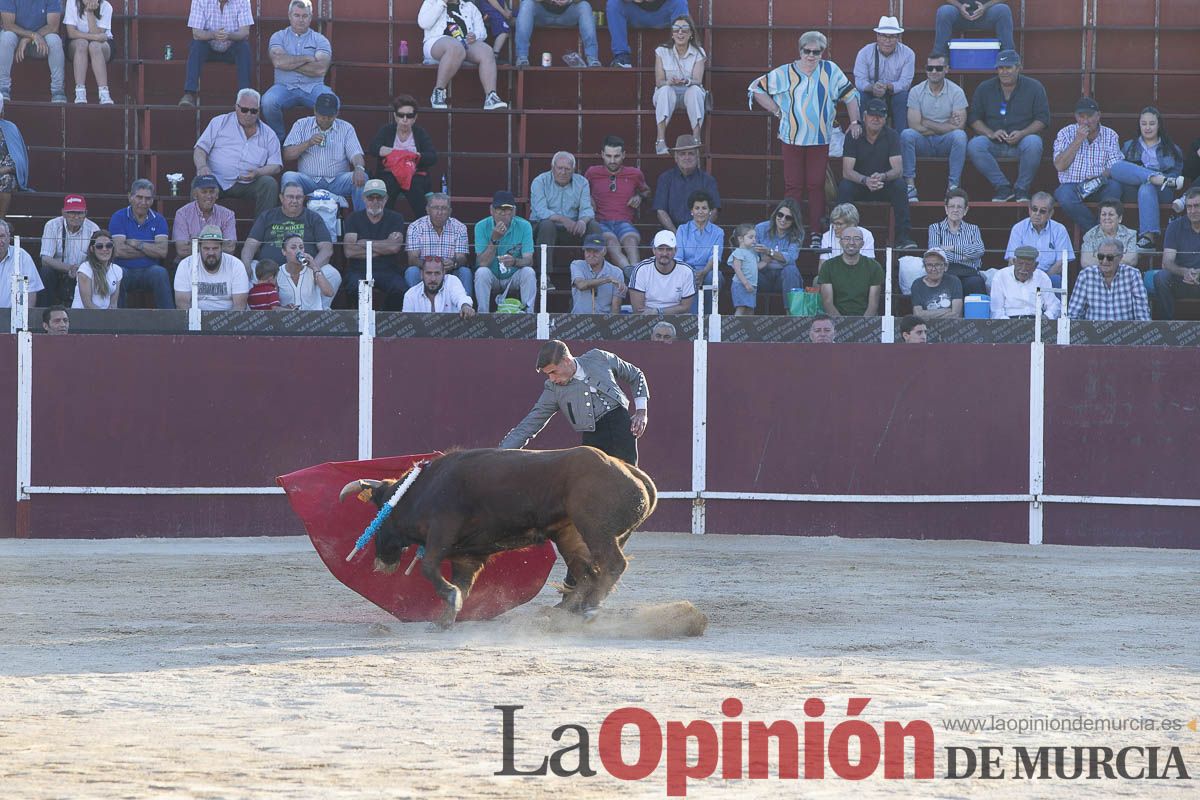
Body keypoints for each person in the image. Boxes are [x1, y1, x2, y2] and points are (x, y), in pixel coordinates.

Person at [751, 31, 861, 248]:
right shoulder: (784, 72)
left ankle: (816, 233)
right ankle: (790, 232)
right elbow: (756, 88)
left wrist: (855, 122)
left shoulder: (831, 70)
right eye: (807, 51)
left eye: (816, 51)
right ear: (800, 51)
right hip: (791, 138)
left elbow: (850, 94)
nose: (811, 55)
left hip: (820, 138)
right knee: (793, 186)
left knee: (816, 185)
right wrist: (776, 110)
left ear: (822, 52)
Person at [500, 338, 648, 467]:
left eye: (553, 372)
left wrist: (641, 412)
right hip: (593, 437)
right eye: (548, 374)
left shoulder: (598, 357)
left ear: (566, 361)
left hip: (621, 427)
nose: (551, 378)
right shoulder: (553, 389)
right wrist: (500, 455)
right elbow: (530, 424)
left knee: (629, 480)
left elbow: (636, 375)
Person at [967, 49, 1049, 202]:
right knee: (974, 144)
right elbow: (974, 118)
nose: (1004, 72)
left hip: (1022, 142)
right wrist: (990, 133)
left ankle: (1021, 189)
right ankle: (1003, 187)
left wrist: (1023, 133)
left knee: (1034, 142)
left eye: (1008, 67)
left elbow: (1043, 119)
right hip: (994, 142)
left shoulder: (1034, 87)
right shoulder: (984, 88)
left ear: (1018, 68)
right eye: (1000, 68)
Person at [837, 97, 916, 250]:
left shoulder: (892, 135)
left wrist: (883, 176)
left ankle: (903, 238)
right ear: (865, 116)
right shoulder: (853, 135)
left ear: (885, 118)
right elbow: (847, 171)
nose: (876, 119)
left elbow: (898, 170)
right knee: (845, 187)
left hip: (882, 184)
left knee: (900, 186)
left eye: (880, 116)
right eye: (872, 115)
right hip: (860, 184)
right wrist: (865, 180)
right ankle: (843, 235)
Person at [194, 88, 283, 218]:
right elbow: (200, 149)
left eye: (253, 111)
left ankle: (260, 234)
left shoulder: (269, 134)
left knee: (269, 184)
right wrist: (202, 167)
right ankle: (198, 232)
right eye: (244, 110)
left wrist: (258, 172)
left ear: (259, 111)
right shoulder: (220, 122)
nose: (248, 114)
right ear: (236, 107)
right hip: (216, 179)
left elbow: (276, 165)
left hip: (249, 183)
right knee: (200, 182)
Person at [1109, 106, 1186, 252]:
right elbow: (1121, 173)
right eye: (1144, 124)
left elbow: (1176, 178)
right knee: (1116, 167)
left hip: (1162, 191)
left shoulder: (1171, 149)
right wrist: (1150, 175)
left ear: (1159, 125)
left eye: (1152, 123)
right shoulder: (1128, 146)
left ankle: (1148, 238)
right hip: (1133, 190)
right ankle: (1155, 178)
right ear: (1139, 125)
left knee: (1147, 186)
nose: (1147, 127)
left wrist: (1153, 179)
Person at [282, 92, 367, 212]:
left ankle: (360, 223)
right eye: (322, 115)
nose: (326, 119)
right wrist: (308, 143)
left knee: (362, 177)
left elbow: (356, 154)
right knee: (288, 177)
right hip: (308, 180)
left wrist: (359, 168)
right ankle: (291, 222)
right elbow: (287, 154)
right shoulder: (301, 124)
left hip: (337, 181)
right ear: (315, 111)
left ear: (337, 113)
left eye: (330, 116)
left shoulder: (346, 128)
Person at [418, 0, 508, 111]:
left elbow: (482, 32)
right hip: (436, 42)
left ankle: (491, 96)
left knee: (487, 51)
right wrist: (442, 3)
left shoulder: (469, 7)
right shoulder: (432, 2)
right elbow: (423, 23)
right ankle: (438, 92)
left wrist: (475, 35)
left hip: (464, 43)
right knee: (455, 47)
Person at [901, 52, 967, 201]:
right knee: (907, 134)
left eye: (938, 68)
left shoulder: (956, 91)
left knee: (960, 137)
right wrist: (947, 125)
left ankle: (953, 187)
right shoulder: (916, 91)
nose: (934, 72)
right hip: (923, 141)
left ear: (946, 69)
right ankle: (910, 186)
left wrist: (926, 121)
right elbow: (914, 125)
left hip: (945, 142)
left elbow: (960, 126)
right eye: (930, 68)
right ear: (926, 70)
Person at [261, 0, 331, 140]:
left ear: (310, 17)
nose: (300, 20)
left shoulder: (320, 40)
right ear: (289, 15)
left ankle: (321, 139)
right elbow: (278, 61)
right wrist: (307, 57)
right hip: (284, 87)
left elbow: (320, 69)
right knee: (267, 102)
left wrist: (289, 63)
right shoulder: (278, 37)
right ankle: (278, 139)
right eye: (297, 15)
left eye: (305, 16)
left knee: (332, 102)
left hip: (313, 87)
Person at [1051, 97, 1123, 233]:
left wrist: (1100, 177)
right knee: (1064, 196)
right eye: (1081, 116)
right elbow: (1059, 166)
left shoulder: (1111, 135)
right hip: (1073, 186)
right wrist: (1078, 140)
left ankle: (1099, 232)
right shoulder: (1065, 133)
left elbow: (1115, 167)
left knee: (1115, 187)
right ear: (1075, 116)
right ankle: (1096, 232)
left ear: (1098, 115)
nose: (1085, 121)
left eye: (1089, 116)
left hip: (1100, 183)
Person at [584, 134, 651, 273]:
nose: (612, 160)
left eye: (616, 156)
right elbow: (580, 192)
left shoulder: (634, 173)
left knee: (631, 241)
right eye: (608, 156)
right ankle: (631, 273)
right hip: (600, 222)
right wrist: (588, 198)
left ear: (624, 155)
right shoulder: (592, 173)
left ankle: (635, 273)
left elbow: (647, 192)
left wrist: (639, 196)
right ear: (602, 154)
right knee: (611, 242)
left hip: (625, 222)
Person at [241, 180, 334, 279]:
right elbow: (250, 244)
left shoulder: (313, 218)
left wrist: (313, 268)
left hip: (305, 270)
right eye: (290, 197)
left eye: (298, 197)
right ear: (281, 198)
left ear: (303, 199)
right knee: (248, 269)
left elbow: (326, 249)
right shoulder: (267, 216)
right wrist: (246, 265)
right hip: (268, 271)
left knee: (332, 274)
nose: (294, 201)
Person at [367, 94, 437, 220]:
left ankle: (424, 227)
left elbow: (432, 156)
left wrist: (416, 156)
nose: (405, 119)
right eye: (401, 115)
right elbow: (373, 148)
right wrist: (389, 151)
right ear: (395, 116)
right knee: (386, 191)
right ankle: (384, 227)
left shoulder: (420, 133)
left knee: (417, 192)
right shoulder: (387, 130)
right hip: (389, 175)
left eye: (409, 116)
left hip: (414, 175)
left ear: (415, 118)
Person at [342, 180, 406, 308]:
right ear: (364, 198)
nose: (375, 202)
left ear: (386, 199)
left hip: (387, 269)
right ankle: (359, 324)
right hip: (358, 270)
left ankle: (385, 321)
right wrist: (385, 245)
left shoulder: (396, 218)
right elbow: (349, 251)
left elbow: (394, 248)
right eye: (371, 198)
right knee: (355, 287)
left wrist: (363, 242)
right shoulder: (353, 218)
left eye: (379, 198)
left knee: (400, 288)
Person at [109, 179, 172, 308]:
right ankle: (116, 322)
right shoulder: (118, 217)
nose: (143, 202)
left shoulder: (159, 220)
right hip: (124, 270)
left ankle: (169, 321)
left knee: (160, 273)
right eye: (139, 197)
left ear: (152, 200)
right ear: (130, 197)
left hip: (149, 271)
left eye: (148, 198)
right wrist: (150, 251)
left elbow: (162, 252)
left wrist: (138, 244)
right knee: (115, 274)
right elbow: (119, 251)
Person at [179, 0, 254, 106]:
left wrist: (229, 35)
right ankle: (189, 94)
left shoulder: (242, 1)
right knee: (196, 45)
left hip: (231, 48)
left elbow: (245, 33)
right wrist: (213, 35)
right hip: (208, 48)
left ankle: (244, 96)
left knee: (244, 47)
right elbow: (196, 33)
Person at [530, 151, 601, 260]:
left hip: (571, 228)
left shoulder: (582, 182)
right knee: (547, 225)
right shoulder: (540, 181)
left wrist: (582, 221)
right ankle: (545, 273)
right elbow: (540, 211)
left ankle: (594, 269)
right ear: (552, 168)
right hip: (543, 228)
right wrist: (563, 219)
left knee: (593, 226)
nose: (563, 172)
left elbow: (587, 209)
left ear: (573, 169)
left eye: (567, 169)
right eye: (559, 168)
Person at [651, 14, 706, 154]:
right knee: (665, 90)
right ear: (672, 34)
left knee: (695, 90)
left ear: (691, 34)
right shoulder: (662, 51)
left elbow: (698, 80)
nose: (680, 33)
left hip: (688, 94)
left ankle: (696, 138)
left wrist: (687, 81)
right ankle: (660, 140)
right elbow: (659, 82)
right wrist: (669, 82)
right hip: (668, 95)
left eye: (684, 30)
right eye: (676, 30)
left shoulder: (698, 52)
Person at [474, 189, 535, 312]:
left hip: (513, 275)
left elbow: (529, 260)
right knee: (481, 273)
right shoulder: (481, 226)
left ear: (514, 211)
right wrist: (494, 240)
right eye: (499, 209)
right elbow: (482, 263)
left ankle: (528, 316)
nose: (503, 213)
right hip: (492, 276)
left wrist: (515, 261)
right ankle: (483, 316)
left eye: (507, 209)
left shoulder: (524, 226)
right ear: (491, 210)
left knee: (529, 272)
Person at [403, 192, 472, 298]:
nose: (439, 212)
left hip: (450, 273)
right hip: (426, 272)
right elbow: (412, 260)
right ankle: (415, 312)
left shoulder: (459, 227)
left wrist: (454, 263)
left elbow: (462, 258)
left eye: (444, 208)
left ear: (450, 211)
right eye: (435, 208)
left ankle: (465, 310)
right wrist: (432, 266)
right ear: (427, 209)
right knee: (411, 272)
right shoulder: (415, 227)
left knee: (465, 272)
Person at [853, 16, 914, 133]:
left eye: (892, 36)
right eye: (884, 36)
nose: (888, 40)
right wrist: (872, 88)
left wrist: (887, 87)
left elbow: (905, 83)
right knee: (859, 96)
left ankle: (900, 140)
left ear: (898, 38)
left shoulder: (908, 54)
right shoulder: (864, 52)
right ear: (877, 37)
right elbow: (859, 80)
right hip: (871, 94)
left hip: (893, 95)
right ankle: (862, 136)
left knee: (903, 97)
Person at [1066, 237, 1149, 321]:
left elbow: (1142, 315)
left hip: (1125, 333)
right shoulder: (1085, 275)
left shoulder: (1133, 275)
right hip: (1093, 332)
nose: (1104, 261)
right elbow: (1073, 314)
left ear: (1120, 257)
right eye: (1101, 256)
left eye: (1110, 257)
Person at [0, 0, 66, 103]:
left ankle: (58, 90)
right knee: (6, 37)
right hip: (16, 43)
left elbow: (53, 27)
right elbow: (8, 25)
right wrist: (31, 35)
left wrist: (29, 38)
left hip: (40, 43)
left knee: (55, 40)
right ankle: (3, 88)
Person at [38, 193, 98, 306]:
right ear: (63, 213)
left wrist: (80, 271)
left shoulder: (93, 229)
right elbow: (45, 259)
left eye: (80, 212)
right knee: (46, 272)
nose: (76, 216)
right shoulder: (52, 225)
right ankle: (45, 312)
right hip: (58, 271)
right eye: (71, 212)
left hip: (82, 273)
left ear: (86, 213)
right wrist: (69, 268)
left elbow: (97, 260)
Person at [1004, 192, 1074, 287]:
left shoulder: (1059, 230)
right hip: (1022, 275)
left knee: (1056, 280)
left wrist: (1042, 280)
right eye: (1034, 209)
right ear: (1029, 210)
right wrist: (1026, 278)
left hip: (1048, 276)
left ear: (1050, 213)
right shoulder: (1018, 228)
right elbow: (1012, 260)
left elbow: (1061, 263)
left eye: (1042, 211)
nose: (1037, 214)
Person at [925, 188, 986, 295]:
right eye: (952, 206)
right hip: (944, 272)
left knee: (976, 282)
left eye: (959, 207)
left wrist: (952, 248)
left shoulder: (973, 229)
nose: (955, 210)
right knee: (948, 282)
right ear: (946, 209)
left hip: (969, 272)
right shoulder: (935, 228)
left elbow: (979, 250)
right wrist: (965, 257)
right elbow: (935, 254)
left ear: (965, 210)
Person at [653, 134, 720, 231]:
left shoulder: (708, 180)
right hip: (671, 232)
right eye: (682, 154)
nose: (687, 157)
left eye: (691, 153)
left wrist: (700, 232)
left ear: (697, 157)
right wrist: (678, 235)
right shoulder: (665, 179)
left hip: (701, 231)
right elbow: (660, 211)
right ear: (676, 158)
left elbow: (714, 210)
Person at [173, 224, 249, 310]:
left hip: (230, 319)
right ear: (199, 247)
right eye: (206, 248)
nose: (211, 253)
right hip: (195, 320)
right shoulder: (185, 265)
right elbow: (182, 305)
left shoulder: (236, 265)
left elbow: (240, 307)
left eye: (215, 248)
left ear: (221, 247)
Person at [1151, 188, 1200, 320]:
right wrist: (1185, 272)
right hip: (1181, 280)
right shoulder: (1175, 226)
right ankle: (1168, 325)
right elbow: (1167, 261)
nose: (1193, 211)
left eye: (1197, 206)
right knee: (1161, 277)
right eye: (1189, 207)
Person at [816, 225, 883, 317]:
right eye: (847, 238)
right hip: (835, 323)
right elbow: (827, 302)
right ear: (840, 242)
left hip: (865, 322)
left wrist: (862, 325)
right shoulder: (828, 266)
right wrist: (841, 324)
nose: (851, 242)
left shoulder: (874, 267)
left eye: (856, 239)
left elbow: (873, 304)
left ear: (862, 243)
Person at [673, 190, 723, 311]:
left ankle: (710, 316)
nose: (700, 212)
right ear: (692, 211)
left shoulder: (718, 232)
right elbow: (678, 257)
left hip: (707, 270)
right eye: (697, 208)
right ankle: (693, 319)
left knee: (715, 276)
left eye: (704, 208)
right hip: (686, 270)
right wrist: (691, 273)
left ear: (710, 211)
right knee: (689, 278)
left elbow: (715, 257)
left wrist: (703, 272)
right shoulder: (682, 230)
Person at [515, 0, 599, 68]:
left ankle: (592, 58)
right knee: (527, 3)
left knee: (585, 5)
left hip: (567, 15)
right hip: (542, 15)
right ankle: (522, 56)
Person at [606, 0, 689, 69]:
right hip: (636, 14)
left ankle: (681, 56)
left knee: (680, 2)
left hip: (663, 14)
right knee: (613, 3)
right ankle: (622, 57)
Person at [172, 174, 237, 261]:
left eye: (212, 192)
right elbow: (182, 250)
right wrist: (214, 247)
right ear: (195, 195)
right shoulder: (182, 213)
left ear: (217, 195)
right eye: (204, 192)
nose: (209, 196)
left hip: (219, 262)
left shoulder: (228, 215)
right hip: (189, 262)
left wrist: (196, 245)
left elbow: (230, 248)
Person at [628, 229, 694, 314]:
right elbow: (638, 310)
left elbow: (686, 307)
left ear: (675, 251)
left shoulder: (686, 271)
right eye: (661, 249)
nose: (664, 253)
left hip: (677, 318)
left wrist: (658, 311)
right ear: (654, 250)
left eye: (669, 249)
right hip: (647, 318)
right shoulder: (641, 269)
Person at [754, 197, 805, 305]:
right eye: (780, 215)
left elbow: (791, 258)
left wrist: (770, 252)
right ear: (776, 214)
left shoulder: (798, 233)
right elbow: (750, 252)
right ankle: (744, 313)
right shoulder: (760, 228)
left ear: (794, 220)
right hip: (762, 274)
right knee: (746, 270)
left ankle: (792, 315)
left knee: (791, 269)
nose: (783, 220)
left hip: (783, 278)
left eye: (788, 218)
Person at [990, 244, 1060, 319]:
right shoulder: (1000, 276)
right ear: (1014, 262)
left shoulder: (1042, 277)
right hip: (1009, 321)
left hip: (1036, 321)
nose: (1023, 269)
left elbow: (1054, 306)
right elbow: (996, 311)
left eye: (1028, 265)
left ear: (1035, 266)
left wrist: (1046, 317)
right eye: (1020, 264)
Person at [64, 0, 113, 105]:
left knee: (94, 46)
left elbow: (99, 36)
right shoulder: (72, 3)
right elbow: (71, 33)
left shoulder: (106, 6)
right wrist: (95, 37)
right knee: (82, 44)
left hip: (101, 46)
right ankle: (80, 92)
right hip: (77, 44)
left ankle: (104, 93)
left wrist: (90, 12)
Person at [276, 232, 340, 309]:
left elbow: (329, 293)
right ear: (284, 252)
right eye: (293, 248)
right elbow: (274, 305)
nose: (298, 251)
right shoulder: (277, 273)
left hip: (314, 318)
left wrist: (314, 266)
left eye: (301, 247)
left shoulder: (313, 270)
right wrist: (284, 308)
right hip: (289, 319)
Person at [933, 1, 1014, 57]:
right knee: (944, 11)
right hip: (959, 15)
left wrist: (985, 7)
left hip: (986, 15)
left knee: (1003, 10)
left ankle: (1007, 57)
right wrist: (959, 6)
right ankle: (939, 59)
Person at [569, 233, 625, 314]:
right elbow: (581, 285)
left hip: (603, 321)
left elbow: (615, 307)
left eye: (596, 251)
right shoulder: (577, 265)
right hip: (578, 320)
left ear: (604, 251)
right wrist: (607, 279)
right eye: (588, 251)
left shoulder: (616, 272)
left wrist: (609, 325)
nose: (591, 255)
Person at [401, 256, 475, 317]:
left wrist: (465, 306)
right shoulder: (410, 295)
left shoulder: (452, 281)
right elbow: (407, 323)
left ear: (443, 273)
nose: (433, 278)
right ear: (421, 274)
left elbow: (461, 298)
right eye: (428, 273)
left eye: (437, 273)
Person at [70, 228, 119, 309]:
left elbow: (113, 304)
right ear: (92, 249)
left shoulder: (117, 270)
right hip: (84, 315)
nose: (105, 249)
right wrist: (104, 318)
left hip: (106, 317)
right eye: (99, 246)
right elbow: (87, 304)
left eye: (109, 246)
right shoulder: (85, 268)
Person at [1080, 200, 1137, 269]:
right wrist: (1116, 260)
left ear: (1120, 218)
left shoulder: (1130, 234)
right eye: (1104, 214)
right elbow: (1086, 262)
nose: (1107, 218)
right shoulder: (1090, 235)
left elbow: (1131, 261)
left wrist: (1100, 260)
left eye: (1111, 214)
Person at [910, 248, 963, 320]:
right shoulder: (917, 284)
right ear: (925, 267)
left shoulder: (954, 281)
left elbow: (956, 314)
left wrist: (926, 314)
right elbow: (917, 315)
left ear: (945, 267)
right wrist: (946, 311)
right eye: (929, 265)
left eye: (937, 265)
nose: (933, 269)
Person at [0, 217, 41, 307]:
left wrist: (24, 318)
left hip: (13, 317)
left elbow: (31, 290)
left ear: (8, 236)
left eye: (2, 236)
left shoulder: (21, 256)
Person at [0, 93, 29, 218]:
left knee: (7, 179)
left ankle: (0, 222)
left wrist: (2, 170)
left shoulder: (10, 128)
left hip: (3, 173)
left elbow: (17, 160)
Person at [727, 223, 758, 316]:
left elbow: (757, 266)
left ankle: (747, 329)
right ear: (740, 239)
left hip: (751, 285)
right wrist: (746, 283)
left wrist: (766, 261)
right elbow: (737, 269)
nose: (754, 240)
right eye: (751, 237)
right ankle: (736, 328)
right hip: (740, 284)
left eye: (755, 237)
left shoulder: (752, 253)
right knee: (741, 308)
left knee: (750, 310)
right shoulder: (739, 252)